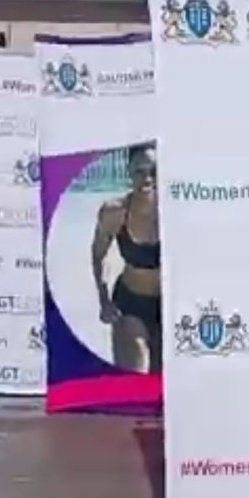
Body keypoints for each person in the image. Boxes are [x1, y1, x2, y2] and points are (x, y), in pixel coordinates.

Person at [91, 142, 162, 373]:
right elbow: (99, 255)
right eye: (139, 171)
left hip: (170, 306)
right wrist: (104, 299)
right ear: (128, 172)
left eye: (154, 171)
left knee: (162, 382)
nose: (147, 178)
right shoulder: (115, 212)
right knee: (136, 375)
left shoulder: (176, 211)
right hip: (131, 303)